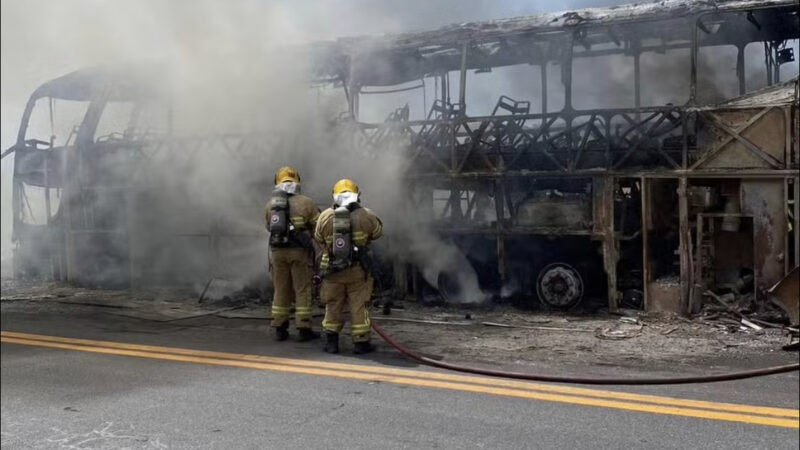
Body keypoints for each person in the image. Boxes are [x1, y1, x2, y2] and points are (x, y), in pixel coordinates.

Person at [314, 178, 383, 354]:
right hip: (357, 271)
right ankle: (360, 343)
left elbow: (318, 238)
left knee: (333, 305)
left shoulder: (325, 216)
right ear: (356, 195)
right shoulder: (366, 215)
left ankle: (331, 343)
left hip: (331, 271)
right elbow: (377, 233)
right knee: (359, 305)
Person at [265, 166, 320, 342]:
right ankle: (303, 328)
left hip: (278, 253)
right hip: (299, 253)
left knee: (281, 289)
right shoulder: (306, 202)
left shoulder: (270, 205)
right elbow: (318, 227)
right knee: (302, 289)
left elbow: (268, 227)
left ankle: (280, 328)